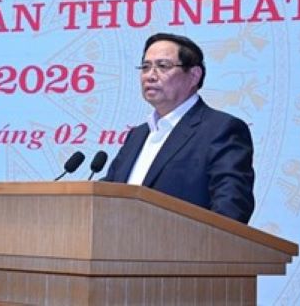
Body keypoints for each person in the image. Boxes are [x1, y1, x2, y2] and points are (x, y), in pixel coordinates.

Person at [102, 32, 255, 223]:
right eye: (145, 67)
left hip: (188, 242)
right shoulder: (137, 135)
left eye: (162, 66)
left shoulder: (221, 130)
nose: (150, 76)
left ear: (194, 75)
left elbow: (231, 209)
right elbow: (106, 197)